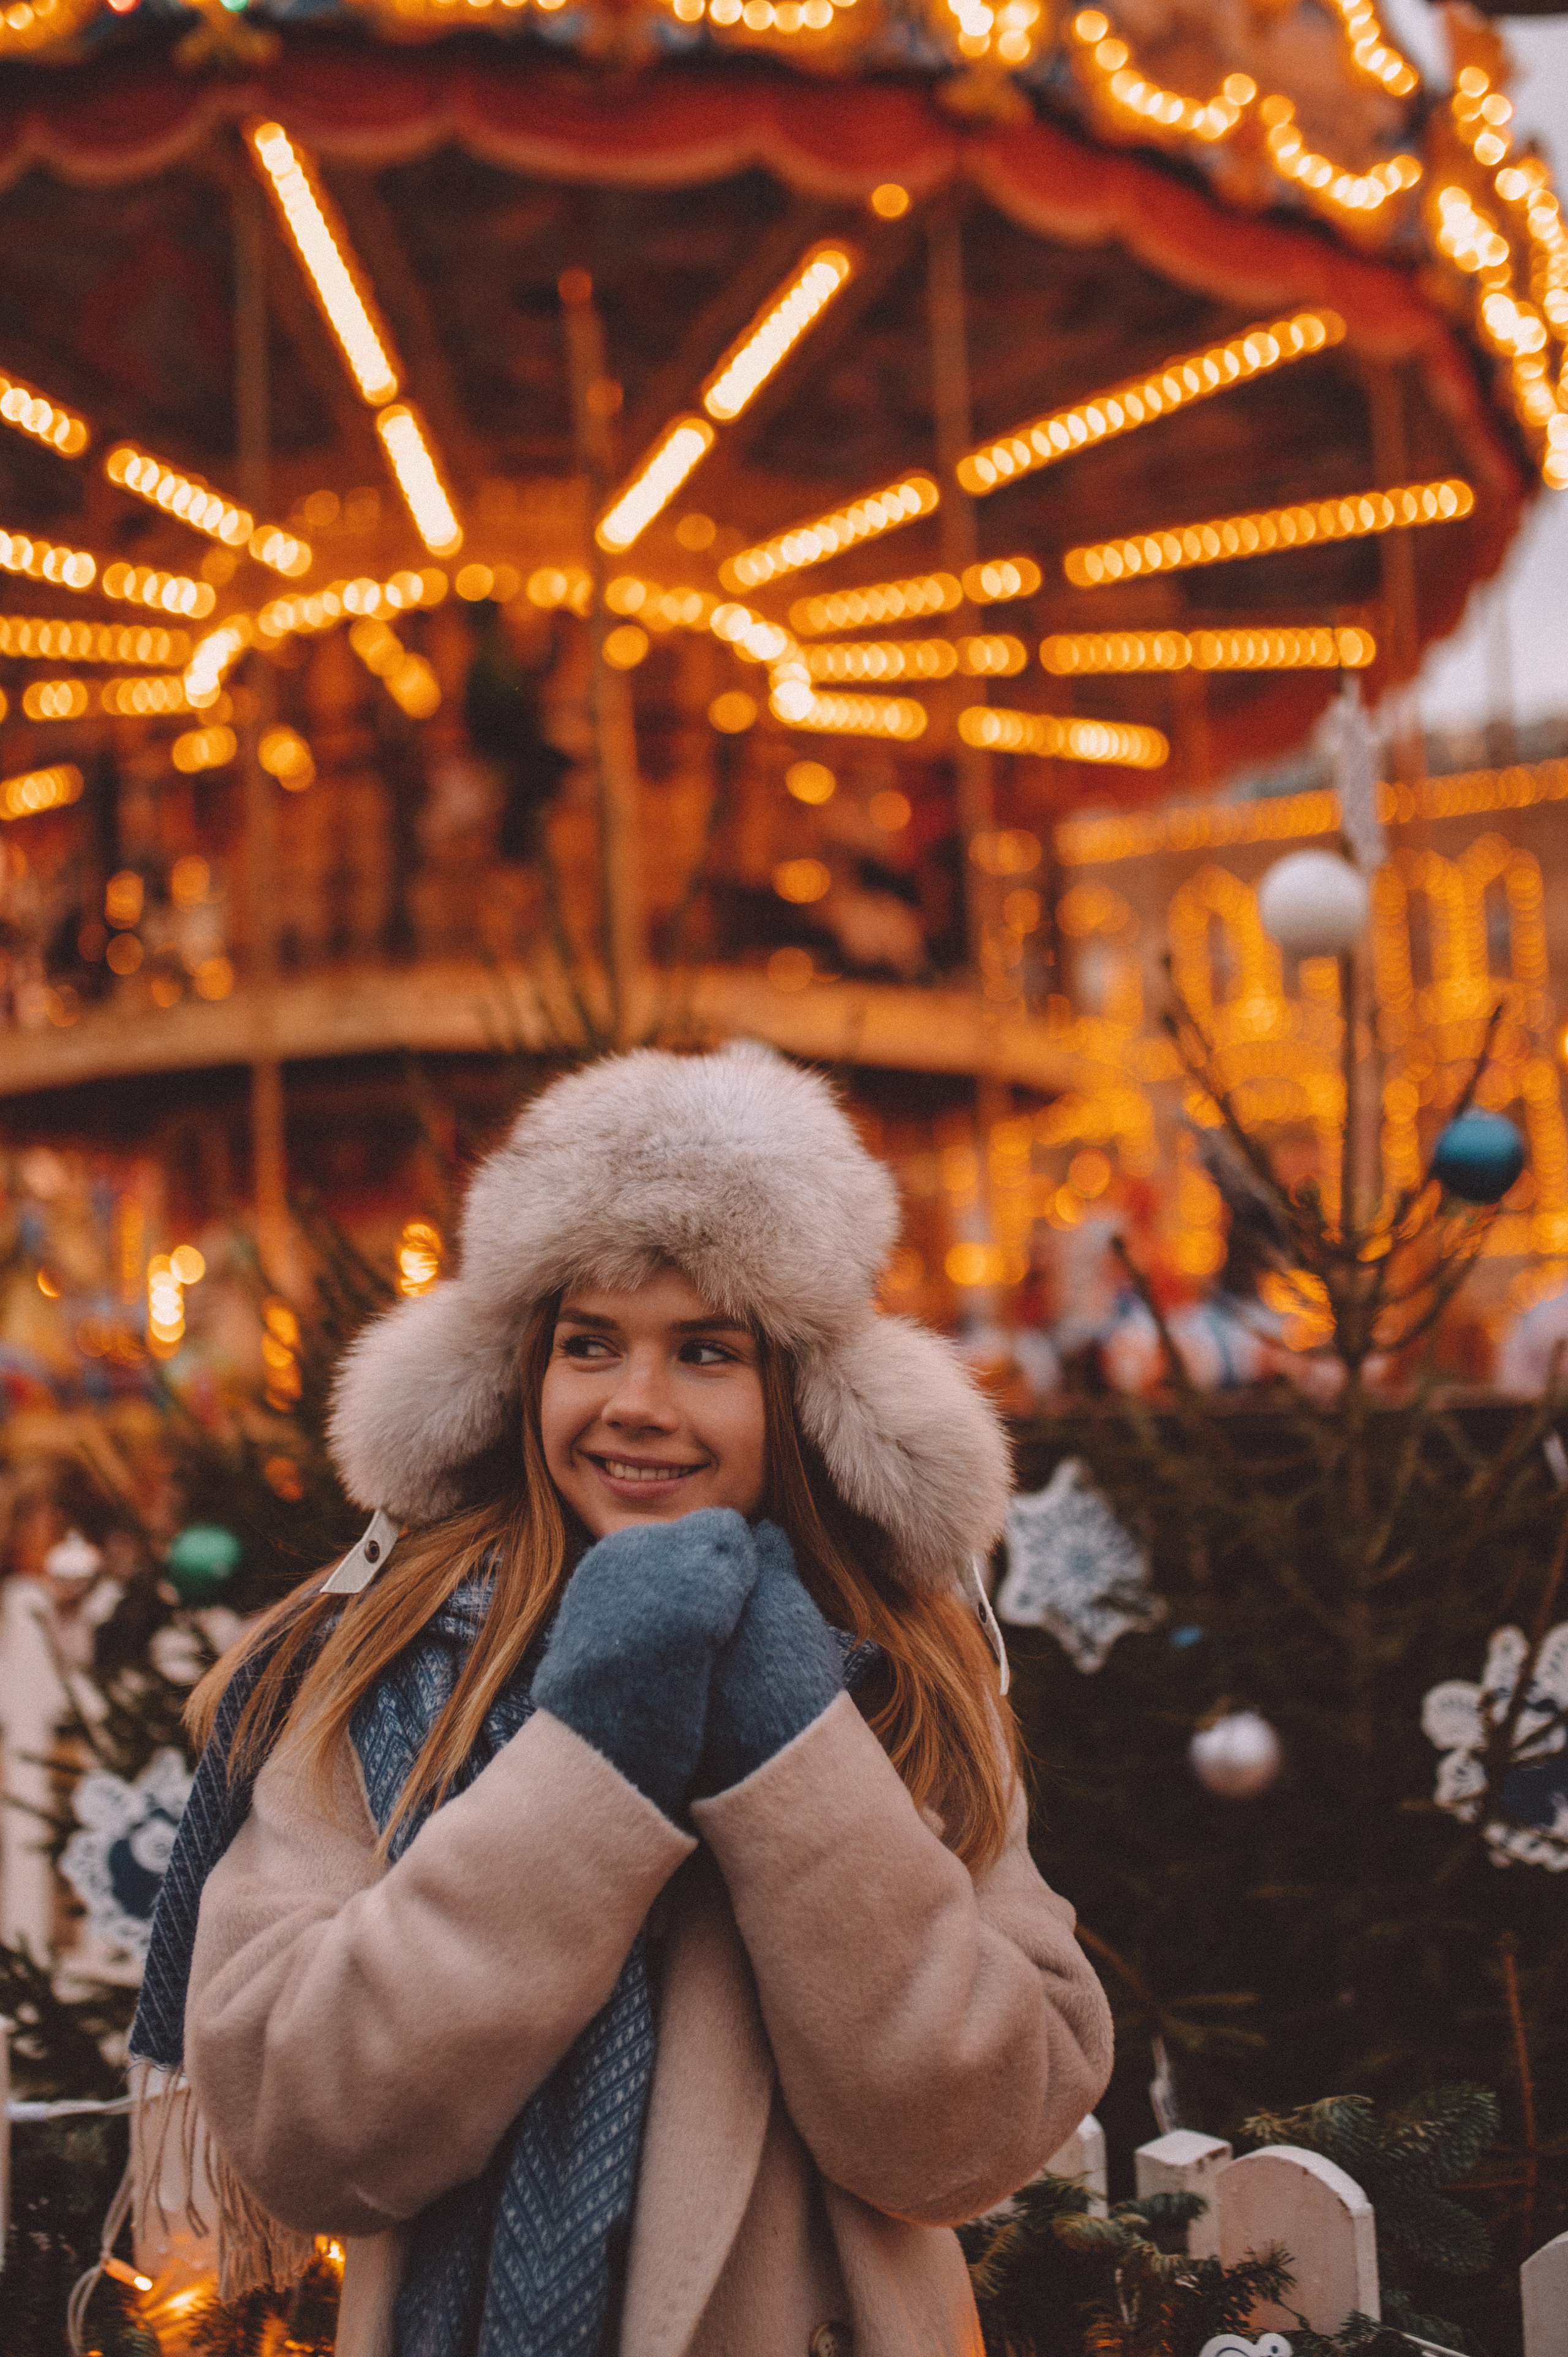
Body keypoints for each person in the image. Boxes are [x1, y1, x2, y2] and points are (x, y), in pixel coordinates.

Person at [130, 1043, 1112, 2357]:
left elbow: (969, 2135)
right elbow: (308, 2128)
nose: (634, 1406)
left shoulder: (898, 1675)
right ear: (522, 1372)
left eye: (705, 1351)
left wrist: (792, 1747)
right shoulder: (385, 1664)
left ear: (801, 1395)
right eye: (589, 1344)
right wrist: (589, 1756)